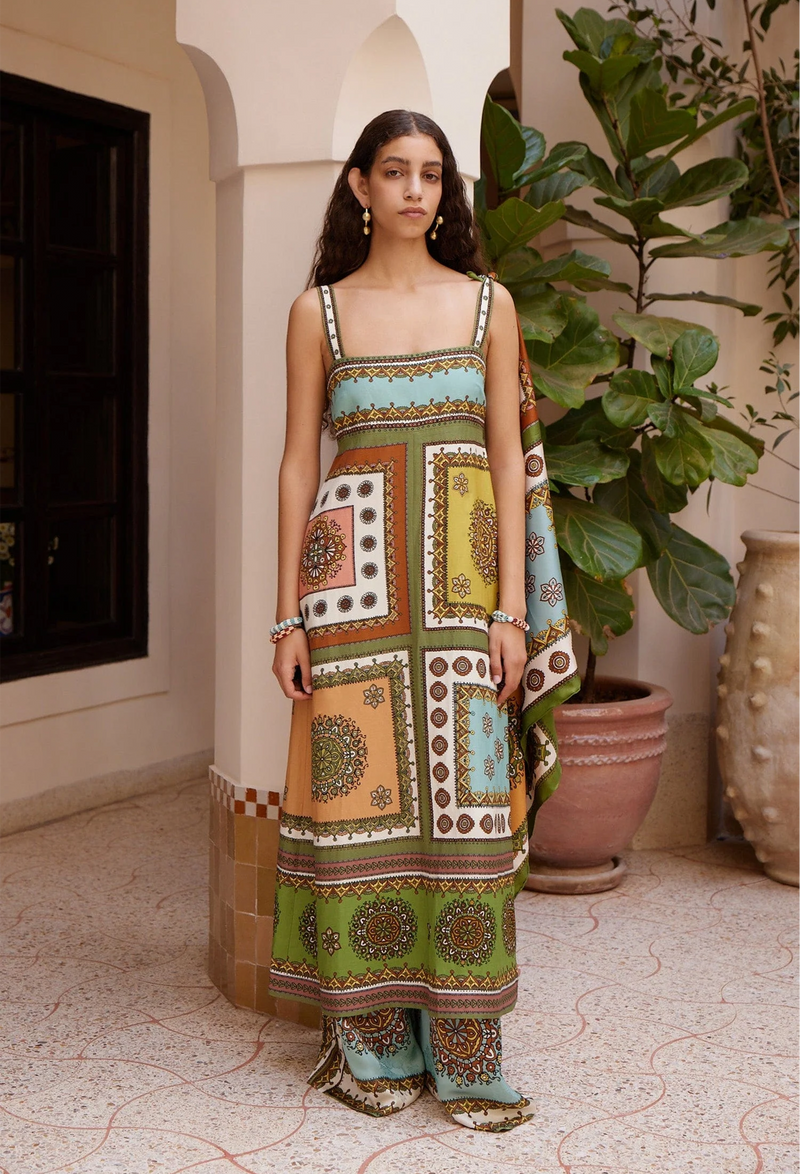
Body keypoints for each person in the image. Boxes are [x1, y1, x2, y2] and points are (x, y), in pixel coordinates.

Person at [269, 109, 577, 1132]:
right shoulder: (319, 313)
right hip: (348, 599)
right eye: (393, 172)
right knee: (363, 811)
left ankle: (467, 1048)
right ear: (358, 185)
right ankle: (369, 1040)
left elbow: (503, 457)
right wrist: (287, 619)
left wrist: (509, 612)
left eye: (431, 175)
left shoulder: (489, 304)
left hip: (459, 601)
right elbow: (296, 465)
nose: (414, 190)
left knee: (469, 813)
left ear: (446, 193)